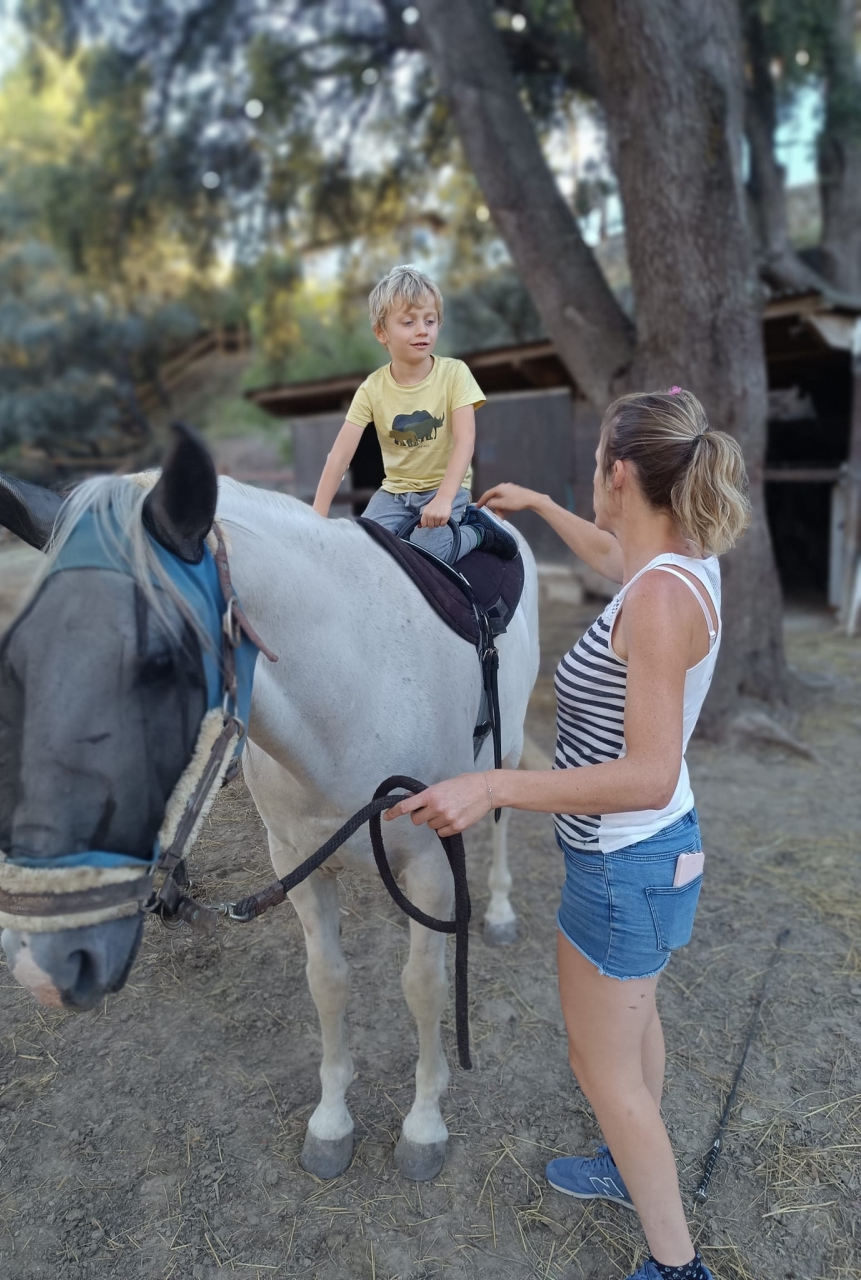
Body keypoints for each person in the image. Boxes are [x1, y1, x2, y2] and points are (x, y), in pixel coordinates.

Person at [386, 387, 751, 1280]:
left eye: (592, 464)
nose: (591, 475)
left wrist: (493, 785)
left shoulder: (658, 600)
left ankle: (677, 1267)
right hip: (655, 855)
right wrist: (545, 506)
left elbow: (647, 772)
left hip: (625, 865)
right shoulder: (682, 562)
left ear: (620, 474)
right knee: (634, 1029)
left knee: (604, 1071)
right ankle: (628, 1170)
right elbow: (613, 554)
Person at [312, 264, 517, 562]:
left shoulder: (455, 374)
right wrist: (316, 518)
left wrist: (444, 498)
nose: (422, 330)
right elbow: (340, 456)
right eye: (408, 322)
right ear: (381, 332)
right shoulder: (372, 389)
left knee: (427, 552)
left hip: (444, 488)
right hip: (394, 494)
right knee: (361, 551)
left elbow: (465, 440)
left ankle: (478, 531)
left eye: (430, 321)